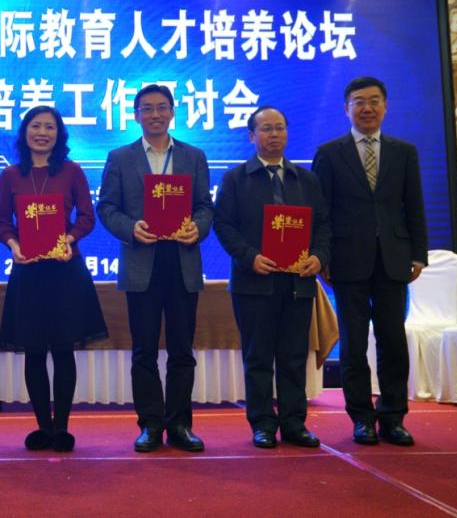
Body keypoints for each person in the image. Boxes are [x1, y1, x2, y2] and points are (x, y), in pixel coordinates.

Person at [97, 84, 213, 453]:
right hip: (141, 262)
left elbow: (205, 206)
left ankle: (179, 425)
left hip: (182, 262)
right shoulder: (120, 157)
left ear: (173, 112)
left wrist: (198, 228)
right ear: (135, 115)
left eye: (162, 107)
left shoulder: (194, 156)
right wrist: (131, 228)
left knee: (182, 351)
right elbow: (107, 208)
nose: (155, 114)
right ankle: (149, 424)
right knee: (143, 351)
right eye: (147, 108)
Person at [312, 76, 428, 446]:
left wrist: (418, 254)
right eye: (359, 102)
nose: (367, 108)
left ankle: (393, 417)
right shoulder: (330, 153)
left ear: (385, 106)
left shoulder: (403, 152)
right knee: (354, 343)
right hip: (347, 261)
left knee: (393, 340)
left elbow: (414, 205)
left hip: (393, 260)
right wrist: (323, 256)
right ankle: (361, 417)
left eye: (374, 101)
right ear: (346, 109)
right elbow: (321, 212)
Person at [213, 107, 330, 449]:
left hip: (298, 283)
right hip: (253, 283)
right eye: (266, 129)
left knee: (294, 357)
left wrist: (319, 257)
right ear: (252, 135)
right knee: (258, 358)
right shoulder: (236, 179)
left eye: (280, 128)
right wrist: (249, 257)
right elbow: (223, 225)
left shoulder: (306, 179)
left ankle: (294, 424)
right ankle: (262, 423)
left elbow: (323, 225)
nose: (274, 134)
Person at [0, 106, 108, 453]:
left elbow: (87, 217)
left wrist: (69, 239)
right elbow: (2, 222)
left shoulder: (72, 171)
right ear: (24, 132)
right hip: (28, 270)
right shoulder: (10, 175)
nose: (42, 133)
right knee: (33, 351)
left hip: (64, 270)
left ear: (59, 134)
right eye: (36, 126)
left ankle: (62, 428)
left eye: (49, 127)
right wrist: (13, 245)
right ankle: (42, 426)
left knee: (62, 349)